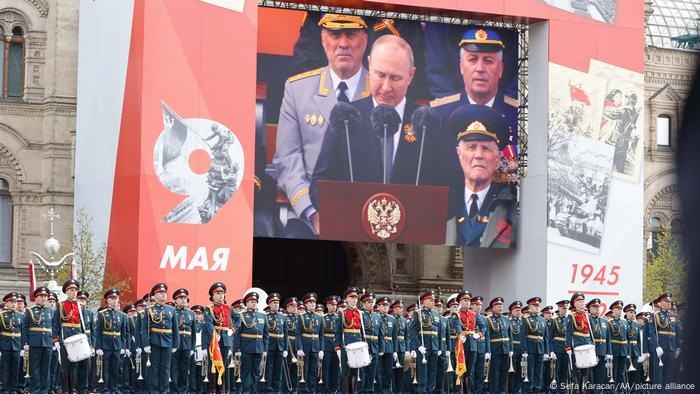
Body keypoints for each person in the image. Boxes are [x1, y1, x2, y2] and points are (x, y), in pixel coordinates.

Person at [311, 34, 442, 215]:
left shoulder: (427, 123)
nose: (386, 87)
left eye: (395, 78)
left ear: (411, 75)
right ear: (370, 65)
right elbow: (319, 186)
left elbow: (449, 190)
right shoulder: (346, 118)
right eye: (380, 75)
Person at [274, 13, 370, 238]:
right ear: (323, 40)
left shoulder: (381, 92)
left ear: (364, 41)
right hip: (311, 216)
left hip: (367, 216)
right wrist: (311, 211)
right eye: (335, 34)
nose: (343, 43)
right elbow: (287, 159)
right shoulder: (297, 90)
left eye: (351, 34)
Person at [445, 104, 517, 247]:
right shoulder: (442, 203)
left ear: (497, 159)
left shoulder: (513, 209)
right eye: (471, 147)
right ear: (459, 154)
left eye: (486, 148)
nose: (478, 155)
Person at [53, 279, 91, 393]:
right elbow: (56, 324)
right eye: (71, 290)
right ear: (66, 291)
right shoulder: (60, 305)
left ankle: (73, 389)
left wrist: (86, 340)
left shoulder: (80, 306)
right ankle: (65, 389)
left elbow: (84, 324)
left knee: (74, 364)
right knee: (65, 365)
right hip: (65, 337)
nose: (73, 292)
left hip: (77, 337)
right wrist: (56, 339)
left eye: (75, 290)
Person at [142, 283, 179, 394]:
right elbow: (145, 328)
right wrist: (146, 344)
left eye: (164, 293)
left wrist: (175, 344)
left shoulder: (171, 310)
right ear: (155, 295)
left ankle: (163, 391)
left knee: (166, 368)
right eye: (161, 293)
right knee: (155, 368)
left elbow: (175, 329)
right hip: (154, 342)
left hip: (168, 342)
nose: (163, 295)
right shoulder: (149, 310)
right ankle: (154, 391)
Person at [202, 282, 235, 394]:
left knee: (223, 366)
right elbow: (209, 323)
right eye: (218, 293)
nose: (221, 295)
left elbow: (238, 320)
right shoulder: (209, 309)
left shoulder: (229, 308)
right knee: (213, 366)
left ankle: (221, 391)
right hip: (213, 340)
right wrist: (214, 334)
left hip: (225, 340)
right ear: (213, 295)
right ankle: (212, 390)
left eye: (222, 293)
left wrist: (232, 330)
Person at [94, 288, 129, 394]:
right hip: (105, 345)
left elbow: (124, 333)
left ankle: (114, 388)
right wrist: (98, 347)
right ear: (107, 300)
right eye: (112, 298)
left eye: (116, 298)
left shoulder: (122, 315)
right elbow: (98, 332)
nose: (114, 301)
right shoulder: (102, 314)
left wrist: (124, 346)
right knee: (105, 369)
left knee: (116, 368)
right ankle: (105, 389)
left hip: (117, 345)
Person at [233, 291, 268, 393]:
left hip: (258, 348)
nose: (254, 303)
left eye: (255, 301)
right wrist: (237, 349)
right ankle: (246, 392)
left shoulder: (262, 316)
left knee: (255, 373)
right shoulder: (241, 315)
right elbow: (237, 334)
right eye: (251, 301)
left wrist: (265, 350)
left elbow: (265, 335)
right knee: (245, 373)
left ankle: (253, 391)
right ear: (246, 303)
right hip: (246, 348)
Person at [409, 291, 443, 393]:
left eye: (433, 300)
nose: (433, 302)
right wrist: (418, 346)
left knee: (433, 372)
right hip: (423, 347)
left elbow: (440, 333)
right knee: (423, 372)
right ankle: (422, 391)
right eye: (430, 300)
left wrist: (440, 347)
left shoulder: (436, 314)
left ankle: (430, 390)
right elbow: (413, 331)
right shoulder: (417, 313)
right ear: (423, 301)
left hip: (434, 346)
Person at [22, 286, 54, 394]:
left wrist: (55, 341)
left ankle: (44, 390)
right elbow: (25, 328)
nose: (44, 298)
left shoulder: (51, 311)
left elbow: (54, 327)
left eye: (45, 296)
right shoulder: (29, 311)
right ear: (36, 298)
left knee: (46, 368)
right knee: (34, 369)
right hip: (34, 343)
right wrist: (25, 343)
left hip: (48, 343)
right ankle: (35, 390)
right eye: (41, 296)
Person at [646, 292, 679, 389]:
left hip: (671, 349)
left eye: (670, 301)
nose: (670, 303)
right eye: (667, 301)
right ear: (661, 302)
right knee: (658, 377)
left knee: (669, 376)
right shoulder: (655, 316)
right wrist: (656, 346)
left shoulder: (673, 316)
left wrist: (678, 347)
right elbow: (652, 333)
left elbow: (676, 333)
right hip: (661, 349)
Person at [295, 292, 323, 393]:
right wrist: (299, 348)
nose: (312, 304)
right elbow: (298, 334)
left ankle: (312, 390)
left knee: (313, 371)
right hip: (305, 347)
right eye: (310, 302)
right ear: (306, 304)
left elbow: (321, 335)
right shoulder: (301, 316)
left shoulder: (319, 317)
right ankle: (303, 391)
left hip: (315, 347)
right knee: (304, 371)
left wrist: (321, 349)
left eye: (314, 302)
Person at [521, 297, 549, 394]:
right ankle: (529, 391)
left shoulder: (543, 320)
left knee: (539, 372)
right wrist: (524, 351)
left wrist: (546, 352)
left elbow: (546, 338)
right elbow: (523, 336)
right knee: (530, 372)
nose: (537, 308)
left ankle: (537, 390)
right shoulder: (526, 319)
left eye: (538, 306)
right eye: (535, 306)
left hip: (540, 349)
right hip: (530, 349)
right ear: (530, 307)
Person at [485, 297, 513, 394]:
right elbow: (487, 337)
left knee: (504, 371)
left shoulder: (506, 319)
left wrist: (511, 349)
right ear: (493, 308)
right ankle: (494, 391)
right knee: (495, 372)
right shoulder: (488, 320)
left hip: (505, 349)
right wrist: (488, 351)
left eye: (501, 306)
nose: (501, 308)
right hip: (495, 349)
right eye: (498, 306)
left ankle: (501, 391)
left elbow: (510, 335)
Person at [171, 288, 195, 394]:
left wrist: (192, 348)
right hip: (175, 345)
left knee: (185, 370)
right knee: (174, 369)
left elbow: (193, 333)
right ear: (176, 300)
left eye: (185, 298)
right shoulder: (172, 312)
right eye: (180, 298)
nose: (183, 300)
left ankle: (183, 391)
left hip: (187, 345)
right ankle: (175, 390)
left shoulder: (191, 313)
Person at [1, 292, 23, 394]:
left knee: (15, 368)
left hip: (17, 345)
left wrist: (23, 347)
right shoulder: (2, 315)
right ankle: (5, 389)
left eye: (15, 302)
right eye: (12, 302)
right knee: (5, 368)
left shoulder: (21, 316)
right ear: (6, 303)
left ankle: (13, 389)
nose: (14, 304)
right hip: (5, 345)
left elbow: (23, 332)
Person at [76, 290, 94, 394]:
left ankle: (84, 389)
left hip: (87, 343)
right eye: (79, 299)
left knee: (86, 368)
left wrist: (92, 345)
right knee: (75, 368)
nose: (82, 301)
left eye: (83, 300)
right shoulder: (72, 312)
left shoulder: (90, 313)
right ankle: (75, 388)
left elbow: (92, 331)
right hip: (76, 344)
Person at [321, 296, 340, 393]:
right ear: (327, 305)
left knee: (335, 369)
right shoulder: (323, 318)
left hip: (337, 346)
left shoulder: (339, 317)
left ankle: (334, 389)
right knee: (326, 369)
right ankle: (326, 389)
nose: (334, 307)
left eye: (335, 305)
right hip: (327, 346)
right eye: (332, 305)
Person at [508, 300, 524, 394]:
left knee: (521, 370)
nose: (519, 312)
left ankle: (517, 390)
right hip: (513, 347)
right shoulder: (509, 321)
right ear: (512, 312)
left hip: (521, 348)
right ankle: (511, 390)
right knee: (511, 371)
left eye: (519, 310)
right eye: (516, 310)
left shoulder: (523, 321)